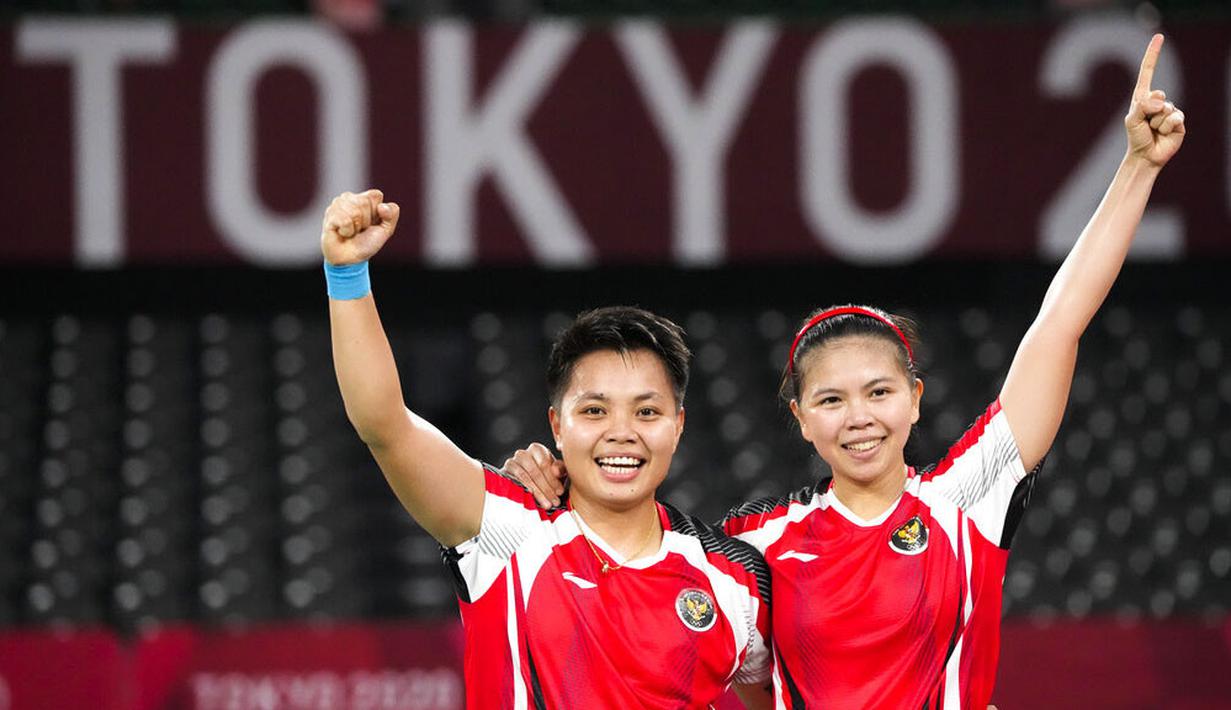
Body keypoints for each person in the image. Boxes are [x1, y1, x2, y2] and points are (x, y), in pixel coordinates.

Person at [501, 34, 1185, 709]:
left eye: (879, 392)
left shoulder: (965, 503)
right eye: (830, 399)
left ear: (914, 400)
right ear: (799, 418)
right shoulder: (753, 546)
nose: (858, 416)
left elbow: (1057, 325)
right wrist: (544, 488)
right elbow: (674, 612)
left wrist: (1136, 168)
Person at [322, 199, 774, 708]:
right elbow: (384, 424)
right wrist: (346, 273)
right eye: (595, 411)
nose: (622, 433)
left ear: (679, 425)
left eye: (647, 412)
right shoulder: (508, 529)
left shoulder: (736, 580)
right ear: (557, 426)